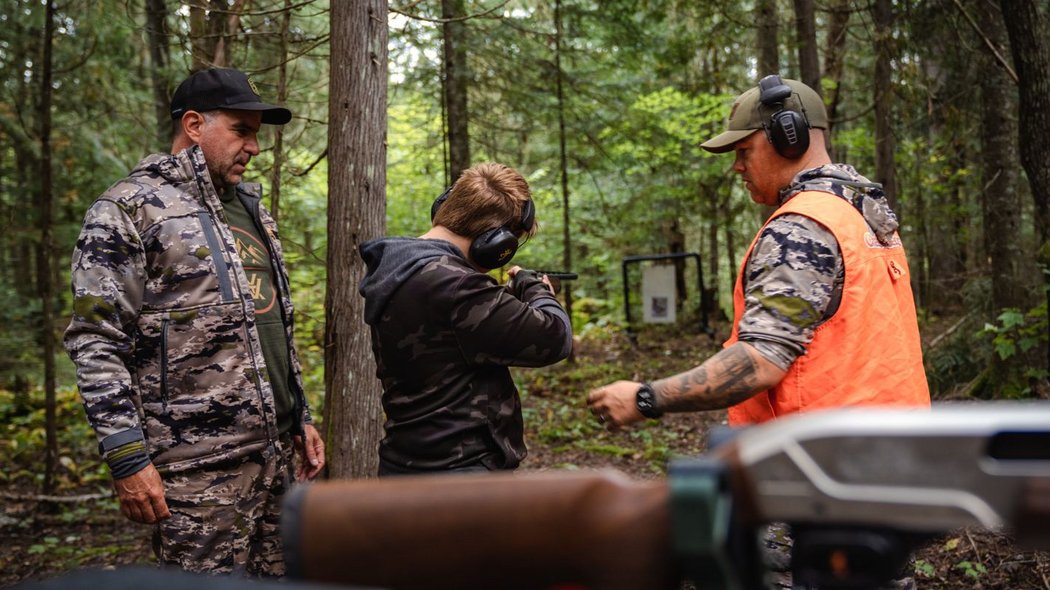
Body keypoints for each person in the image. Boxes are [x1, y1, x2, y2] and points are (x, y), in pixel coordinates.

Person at [63, 67, 325, 576]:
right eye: (242, 131)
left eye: (257, 134)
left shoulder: (251, 210)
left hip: (276, 462)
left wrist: (301, 415)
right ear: (194, 124)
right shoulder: (128, 209)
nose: (254, 148)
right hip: (197, 470)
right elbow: (96, 342)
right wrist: (127, 457)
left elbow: (270, 325)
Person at [587, 75, 930, 430]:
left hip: (827, 450)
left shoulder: (802, 226)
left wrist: (645, 398)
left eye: (744, 151)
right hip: (899, 439)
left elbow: (761, 360)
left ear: (788, 138)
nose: (737, 166)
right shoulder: (860, 213)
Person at [358, 162, 573, 475]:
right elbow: (555, 338)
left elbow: (453, 336)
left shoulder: (402, 270)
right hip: (459, 474)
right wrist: (536, 289)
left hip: (407, 465)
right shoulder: (458, 285)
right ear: (496, 242)